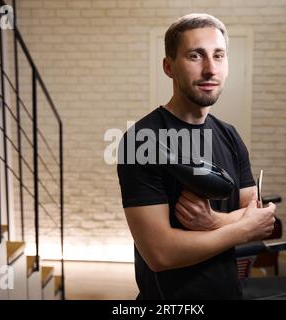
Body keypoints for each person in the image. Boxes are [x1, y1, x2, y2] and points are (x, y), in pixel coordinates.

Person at [117, 13, 276, 300]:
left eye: (219, 56)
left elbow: (258, 217)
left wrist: (212, 222)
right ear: (169, 67)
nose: (210, 69)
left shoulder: (230, 136)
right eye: (195, 56)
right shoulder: (142, 141)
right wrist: (241, 229)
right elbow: (161, 253)